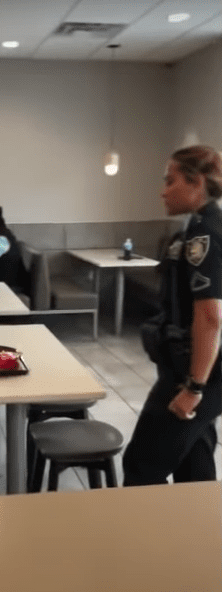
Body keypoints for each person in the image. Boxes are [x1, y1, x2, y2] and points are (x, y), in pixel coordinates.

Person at [123, 145, 222, 486]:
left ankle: (146, 539)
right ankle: (198, 537)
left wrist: (194, 387)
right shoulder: (199, 227)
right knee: (194, 461)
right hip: (195, 369)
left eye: (170, 180)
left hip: (196, 374)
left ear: (196, 184)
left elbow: (210, 316)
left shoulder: (204, 232)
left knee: (141, 465)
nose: (162, 190)